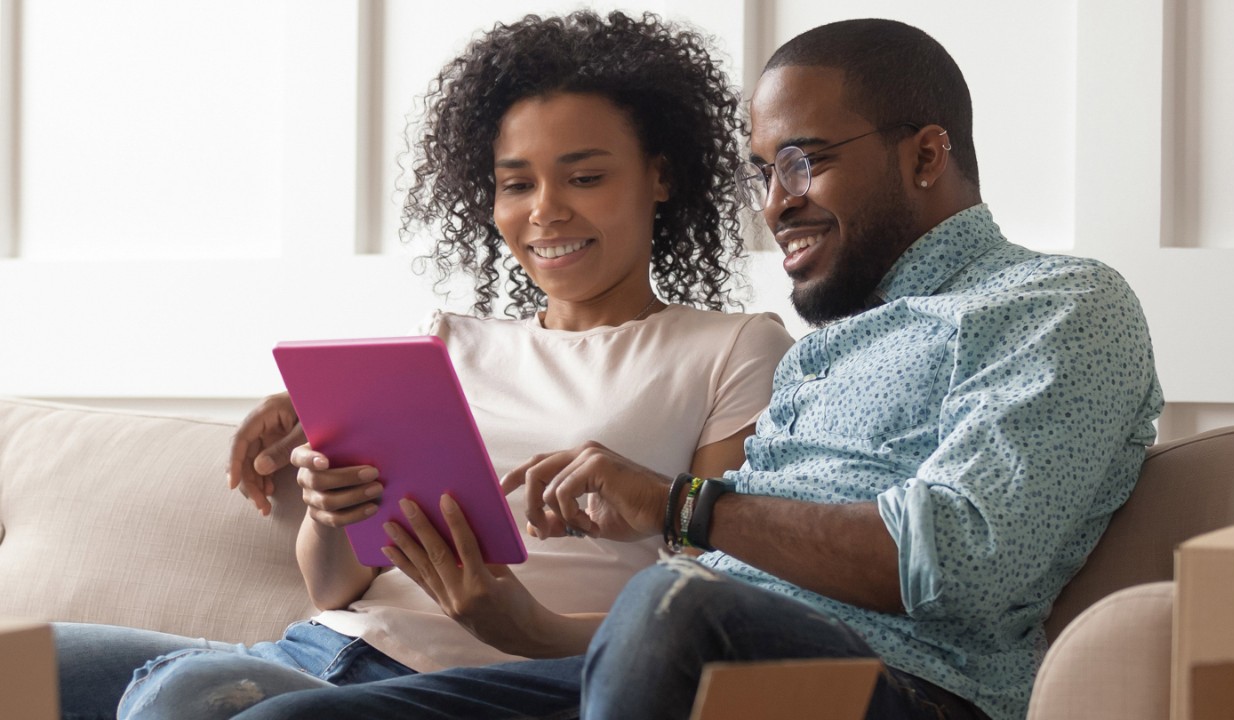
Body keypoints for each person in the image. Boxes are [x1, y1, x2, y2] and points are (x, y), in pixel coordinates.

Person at [211, 17, 1166, 720]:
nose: (775, 204)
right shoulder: (825, 352)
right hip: (692, 664)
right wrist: (526, 625)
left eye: (803, 161)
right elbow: (685, 618)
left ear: (926, 155)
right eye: (761, 172)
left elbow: (959, 559)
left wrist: (678, 504)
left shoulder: (1056, 305)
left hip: (900, 692)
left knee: (678, 597)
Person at [52, 11, 794, 720]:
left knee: (189, 697)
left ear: (660, 176)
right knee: (35, 660)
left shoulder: (732, 349)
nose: (545, 211)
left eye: (584, 177)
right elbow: (335, 586)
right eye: (516, 183)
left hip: (474, 683)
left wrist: (525, 621)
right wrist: (330, 507)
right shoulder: (443, 343)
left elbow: (711, 603)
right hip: (323, 648)